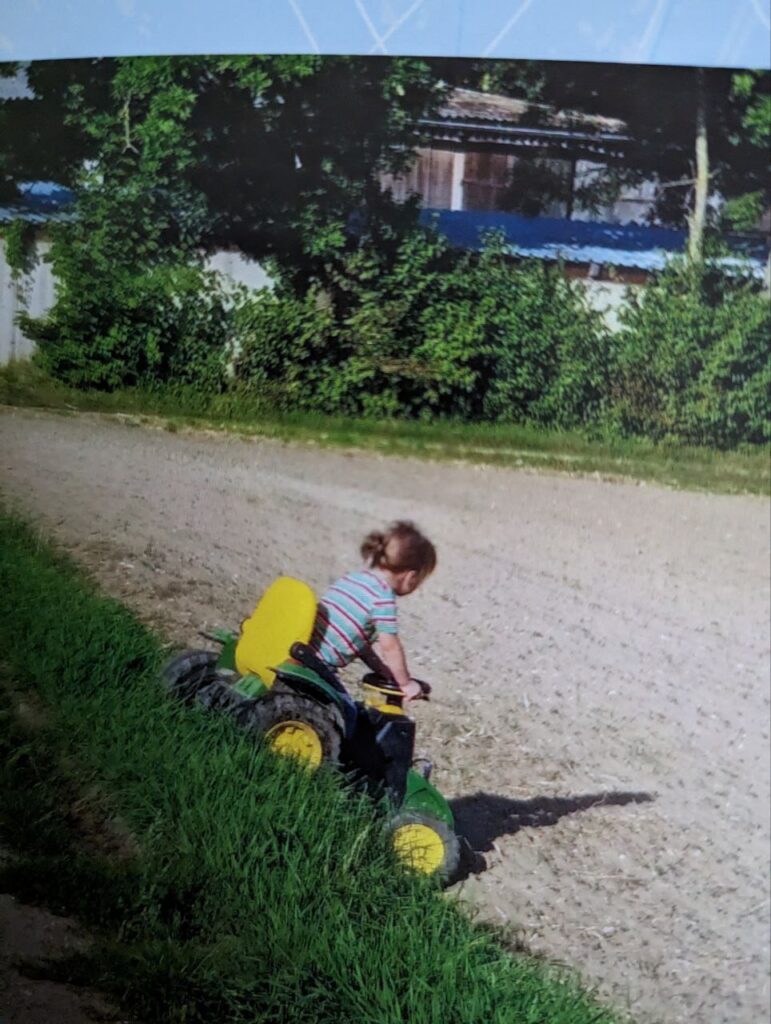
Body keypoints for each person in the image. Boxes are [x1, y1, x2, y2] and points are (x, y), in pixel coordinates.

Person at [310, 520, 436, 701]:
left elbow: (355, 639)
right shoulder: (382, 597)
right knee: (346, 710)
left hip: (306, 651)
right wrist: (405, 683)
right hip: (320, 665)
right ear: (411, 576)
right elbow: (390, 646)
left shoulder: (356, 578)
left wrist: (383, 670)